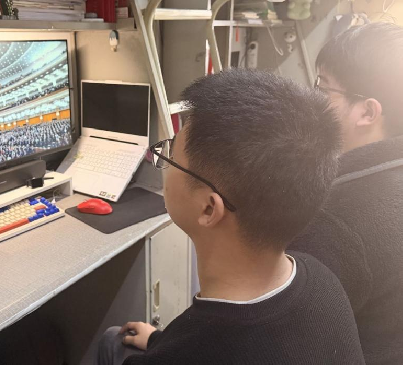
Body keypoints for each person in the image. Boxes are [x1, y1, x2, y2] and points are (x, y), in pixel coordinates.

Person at [97, 70, 364, 365]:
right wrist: (160, 340)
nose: (165, 161)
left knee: (111, 339)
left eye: (171, 156)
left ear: (209, 209)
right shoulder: (324, 282)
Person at [290, 22, 403, 364]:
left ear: (368, 112)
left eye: (323, 89)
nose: (312, 101)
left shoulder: (334, 218)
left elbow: (282, 337)